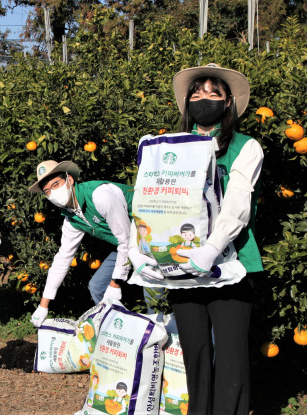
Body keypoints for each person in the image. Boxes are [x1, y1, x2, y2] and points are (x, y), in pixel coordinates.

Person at [130, 63, 263, 414]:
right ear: (187, 102)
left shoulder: (245, 147)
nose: (204, 98)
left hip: (229, 264)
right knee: (195, 352)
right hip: (179, 267)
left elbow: (237, 203)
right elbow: (148, 201)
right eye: (197, 92)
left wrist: (212, 248)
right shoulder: (166, 148)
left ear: (228, 102)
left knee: (232, 357)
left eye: (213, 93)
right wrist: (140, 250)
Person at [27, 160, 134, 328]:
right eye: (47, 192)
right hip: (125, 245)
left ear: (69, 180)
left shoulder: (100, 195)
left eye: (56, 185)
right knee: (97, 287)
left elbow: (127, 239)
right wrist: (43, 305)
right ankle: (119, 331)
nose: (53, 193)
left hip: (149, 236)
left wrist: (116, 283)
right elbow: (63, 258)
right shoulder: (72, 218)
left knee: (152, 289)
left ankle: (160, 337)